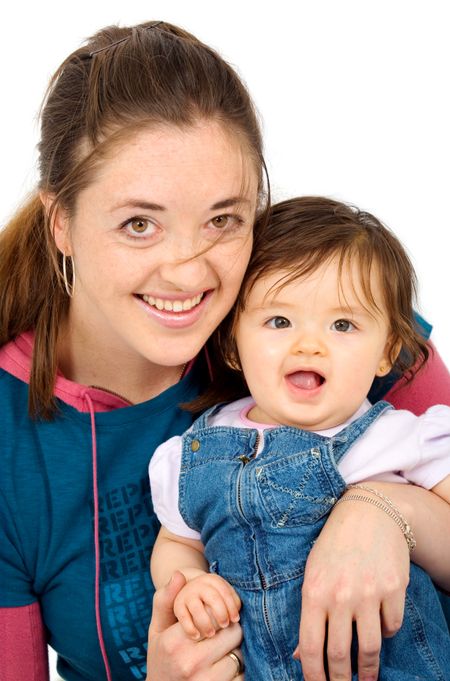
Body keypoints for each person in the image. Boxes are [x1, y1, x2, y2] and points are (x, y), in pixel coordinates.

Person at [0, 19, 449, 681]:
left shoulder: (326, 321)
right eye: (139, 223)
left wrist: (387, 511)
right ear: (60, 222)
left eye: (222, 219)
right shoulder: (13, 451)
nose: (187, 273)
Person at [149, 196, 450, 680]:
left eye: (343, 324)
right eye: (279, 321)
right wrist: (187, 587)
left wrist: (391, 512)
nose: (309, 343)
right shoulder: (194, 451)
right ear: (231, 343)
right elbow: (177, 542)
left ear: (385, 352)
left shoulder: (396, 436)